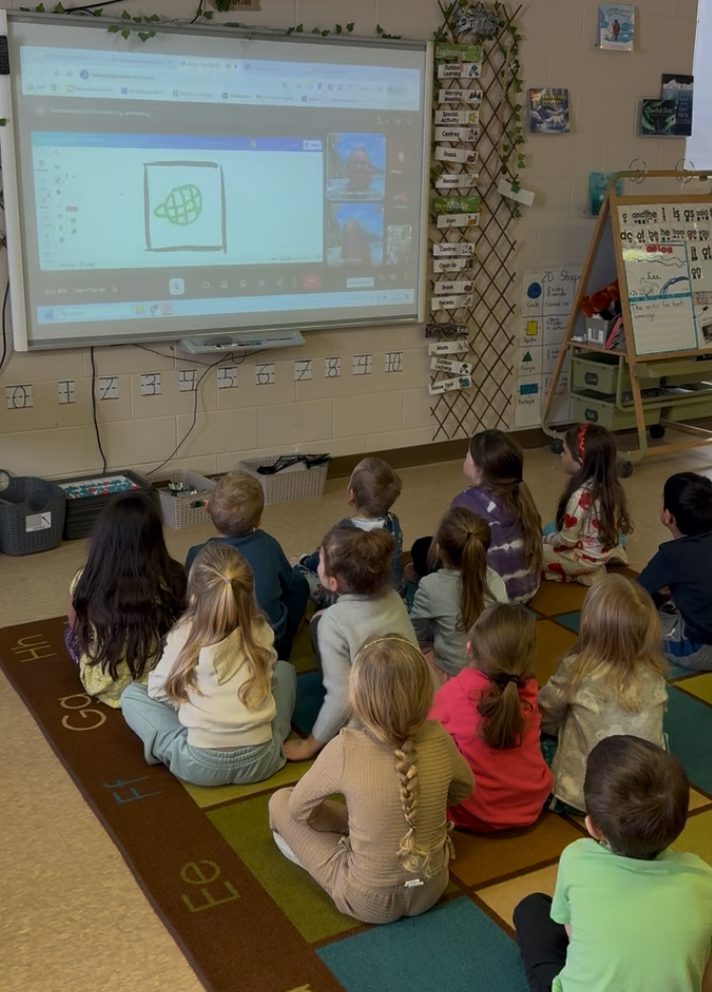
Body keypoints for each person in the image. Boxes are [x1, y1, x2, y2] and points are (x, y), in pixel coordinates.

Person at [269, 634, 474, 924]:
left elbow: (298, 810)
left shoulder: (346, 747)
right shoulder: (438, 737)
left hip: (367, 900)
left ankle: (336, 844)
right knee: (366, 817)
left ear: (358, 699)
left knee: (279, 802)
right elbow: (465, 788)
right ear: (427, 692)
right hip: (431, 888)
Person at [513, 735, 712, 992]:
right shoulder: (703, 879)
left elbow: (575, 940)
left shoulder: (577, 858)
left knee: (532, 908)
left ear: (593, 827)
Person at [121, 542, 296, 787]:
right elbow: (268, 674)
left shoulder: (184, 634)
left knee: (131, 695)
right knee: (285, 671)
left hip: (200, 765)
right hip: (262, 761)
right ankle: (276, 737)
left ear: (193, 597)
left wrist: (188, 700)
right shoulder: (260, 629)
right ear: (247, 593)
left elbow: (157, 691)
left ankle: (177, 746)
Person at [284, 526, 417, 762]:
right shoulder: (395, 598)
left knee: (319, 622)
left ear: (333, 583)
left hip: (372, 729)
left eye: (321, 560)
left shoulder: (333, 622)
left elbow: (341, 699)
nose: (317, 564)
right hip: (415, 709)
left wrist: (309, 744)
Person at [538, 574, 667, 813]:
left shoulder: (576, 670)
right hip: (642, 795)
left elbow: (545, 714)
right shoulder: (654, 676)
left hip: (582, 797)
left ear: (587, 623)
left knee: (530, 738)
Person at [430, 603, 552, 832]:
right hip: (531, 803)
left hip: (473, 813)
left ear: (468, 647)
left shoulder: (452, 693)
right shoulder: (530, 694)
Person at [66, 491, 186, 708]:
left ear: (102, 538)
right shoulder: (173, 577)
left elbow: (75, 626)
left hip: (103, 683)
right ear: (155, 539)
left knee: (69, 635)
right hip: (159, 682)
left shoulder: (85, 579)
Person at [185, 471, 308, 660]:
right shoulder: (268, 545)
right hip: (269, 647)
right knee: (300, 582)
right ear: (258, 520)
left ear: (207, 507)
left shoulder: (196, 554)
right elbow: (288, 585)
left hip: (216, 649)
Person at [411, 429, 542, 603]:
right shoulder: (523, 498)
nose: (465, 456)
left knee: (422, 548)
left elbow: (446, 547)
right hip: (526, 595)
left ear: (479, 471)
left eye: (468, 454)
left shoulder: (465, 501)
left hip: (488, 602)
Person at [410, 507, 508, 680]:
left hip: (451, 673)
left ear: (438, 548)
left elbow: (417, 633)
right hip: (491, 671)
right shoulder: (496, 580)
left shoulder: (430, 586)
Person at [295, 456, 404, 605]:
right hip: (392, 594)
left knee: (299, 574)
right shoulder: (393, 522)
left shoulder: (344, 531)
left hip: (353, 601)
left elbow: (319, 561)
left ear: (351, 494)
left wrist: (302, 561)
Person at [638, 471, 712, 671]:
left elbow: (634, 594)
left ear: (668, 516)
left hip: (699, 648)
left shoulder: (672, 554)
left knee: (638, 620)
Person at [542, 423, 631, 584]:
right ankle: (607, 559)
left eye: (565, 451)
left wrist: (546, 540)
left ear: (581, 461)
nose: (561, 455)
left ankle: (580, 574)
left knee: (532, 552)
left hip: (584, 559)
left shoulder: (580, 496)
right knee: (550, 528)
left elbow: (567, 541)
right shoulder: (610, 487)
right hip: (601, 551)